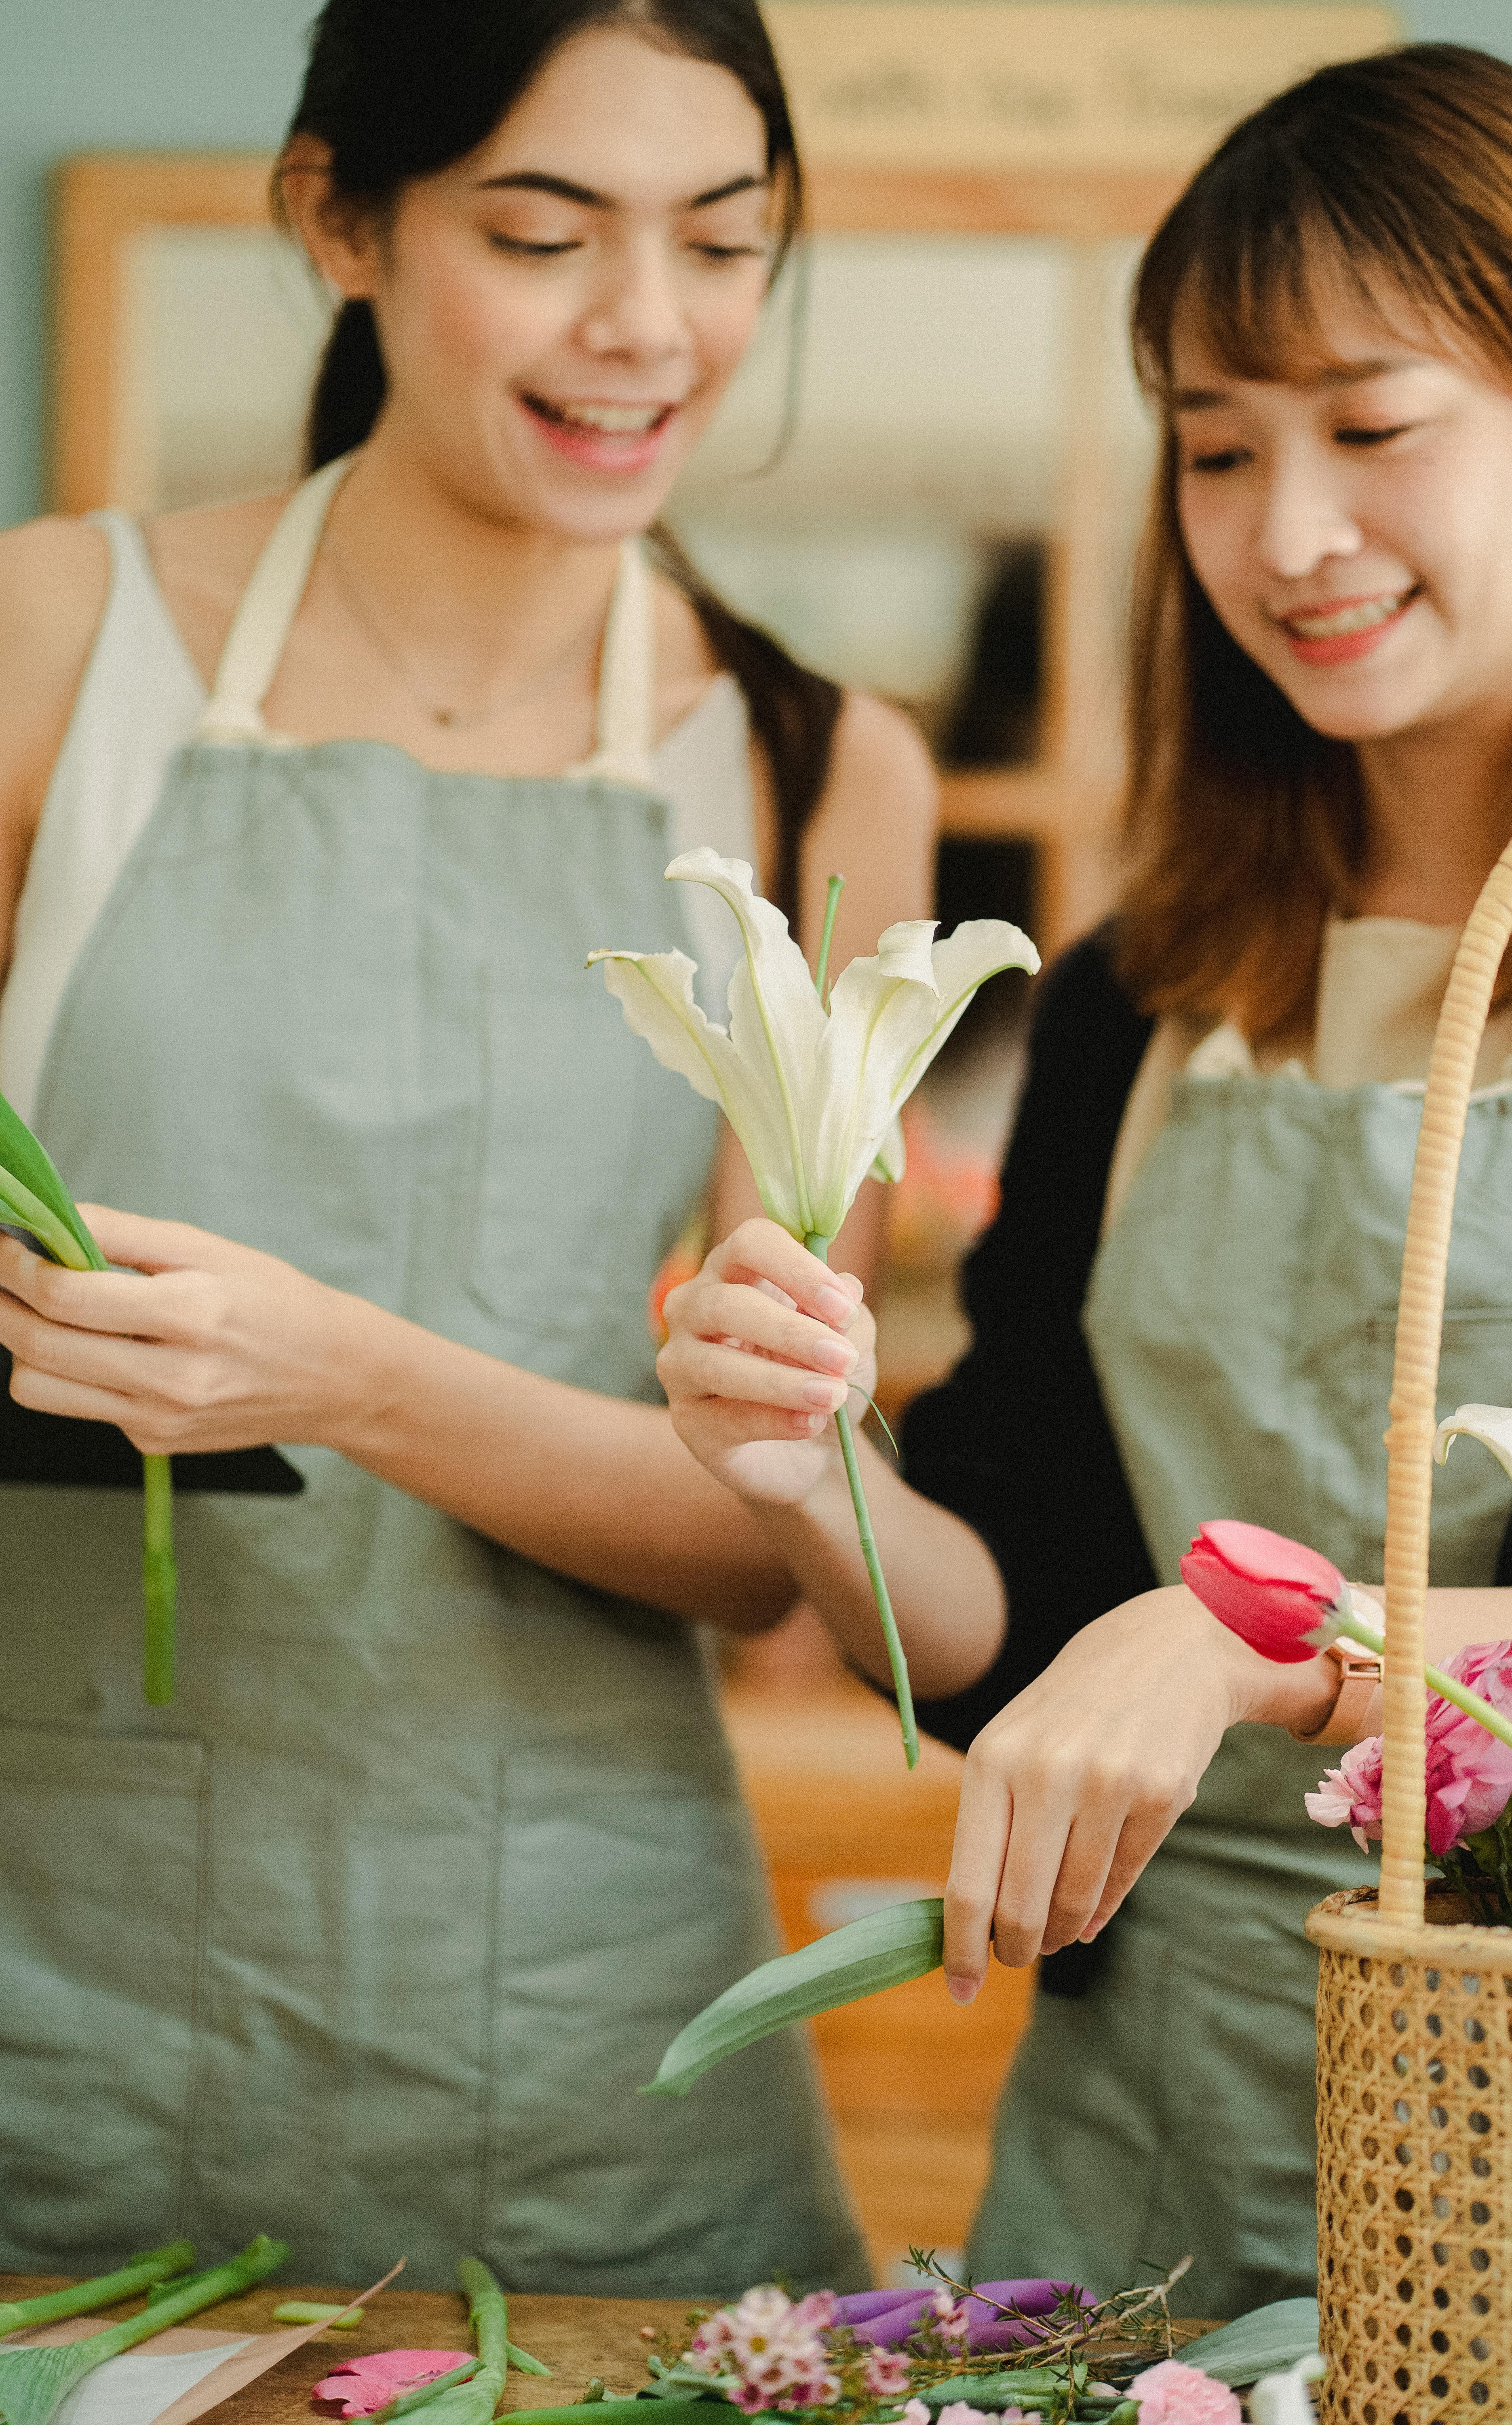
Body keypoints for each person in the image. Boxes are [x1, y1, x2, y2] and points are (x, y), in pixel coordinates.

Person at [654, 43, 1512, 2315]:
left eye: (1373, 430)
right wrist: (805, 1481)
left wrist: (1258, 1642)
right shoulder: (1137, 997)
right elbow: (1035, 1621)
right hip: (1142, 2136)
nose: (1287, 531)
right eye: (1215, 447)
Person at [0, 0, 934, 2292]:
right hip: (52, 1970)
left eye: (722, 244)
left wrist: (334, 1374)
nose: (648, 327)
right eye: (544, 232)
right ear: (340, 219)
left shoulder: (824, 779)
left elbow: (763, 1536)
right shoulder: (50, 643)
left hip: (584, 2024)